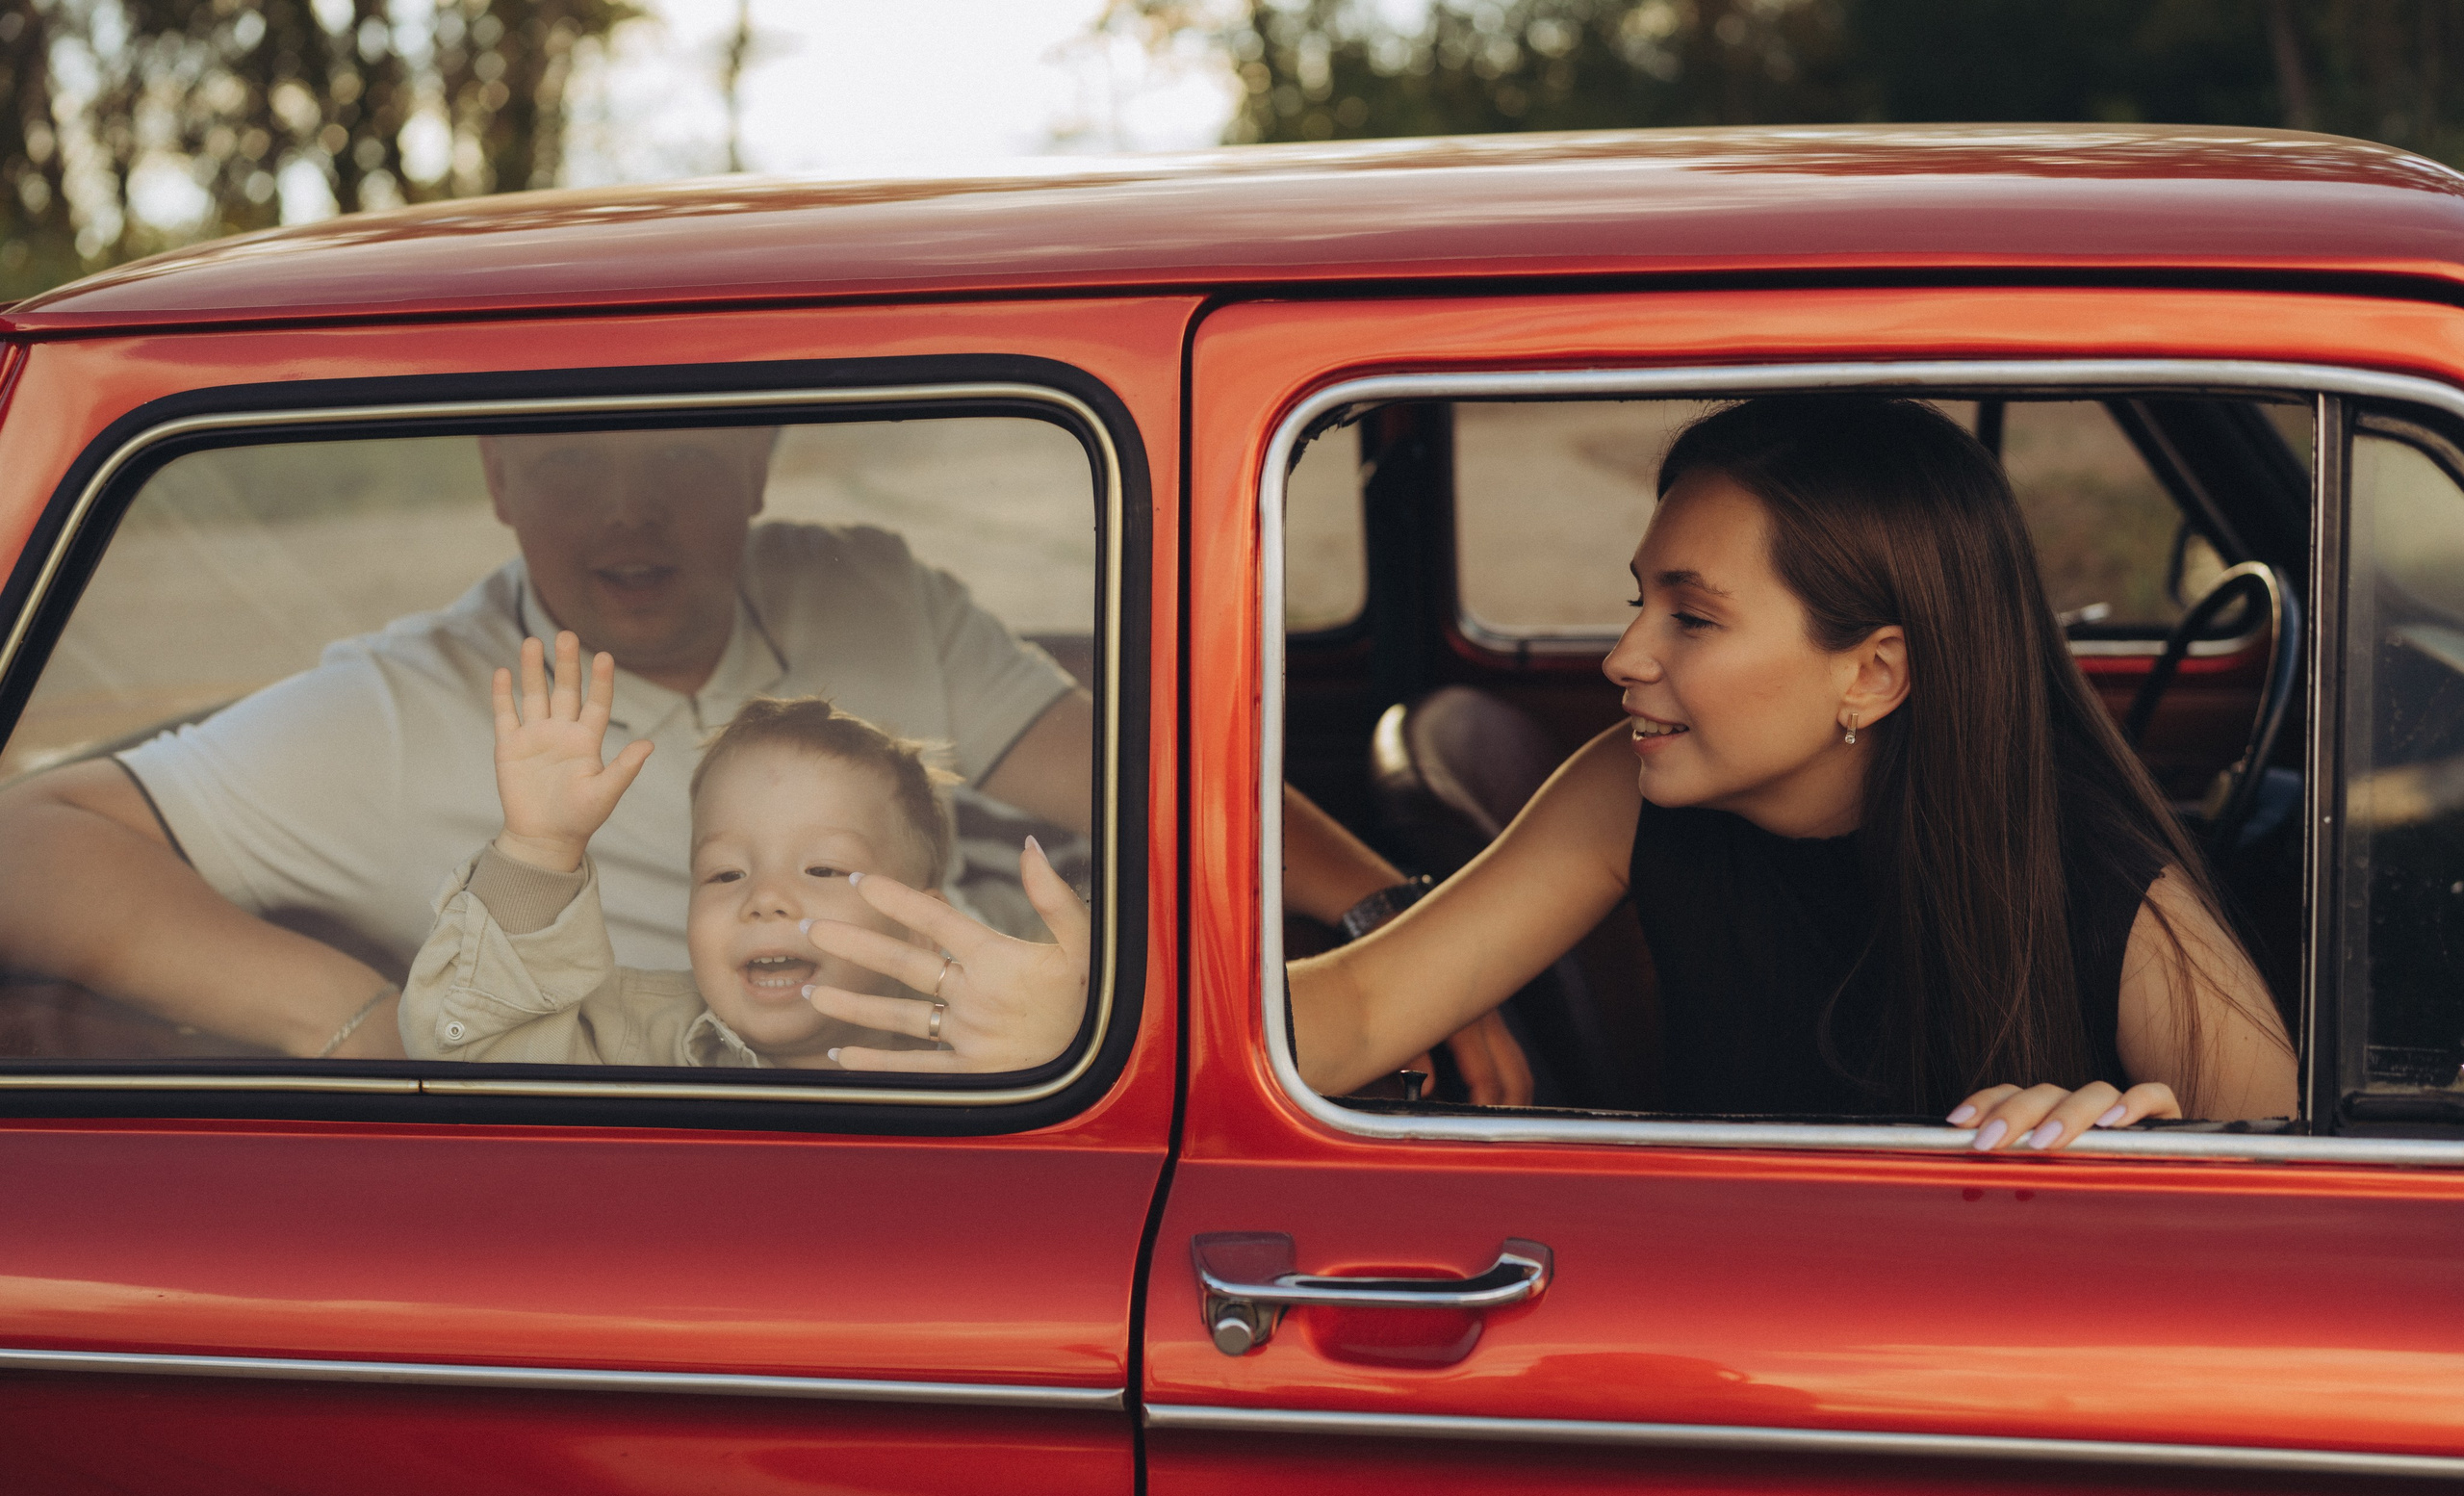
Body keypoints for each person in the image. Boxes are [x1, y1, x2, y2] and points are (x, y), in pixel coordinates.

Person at [807, 397, 2297, 1151]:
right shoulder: (1633, 787)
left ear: (1876, 672)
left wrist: (2145, 1148)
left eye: (1691, 617)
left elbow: (2301, 1227)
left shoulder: (2132, 908)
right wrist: (1099, 1018)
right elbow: (1370, 1005)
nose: (1625, 653)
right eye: (1639, 595)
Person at [0, 424, 1525, 1096]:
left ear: (759, 459)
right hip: (788, 1131)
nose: (627, 512)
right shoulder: (397, 710)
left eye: (677, 452)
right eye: (570, 461)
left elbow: (1139, 785)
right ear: (493, 477)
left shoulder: (864, 581)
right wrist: (361, 1023)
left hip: (1033, 1041)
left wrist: (1380, 911)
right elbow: (28, 837)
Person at [400, 634, 1033, 1068]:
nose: (764, 899)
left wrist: (1047, 1041)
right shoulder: (631, 1034)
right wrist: (538, 849)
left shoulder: (990, 1048)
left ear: (923, 927)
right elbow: (464, 1048)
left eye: (822, 868)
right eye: (725, 873)